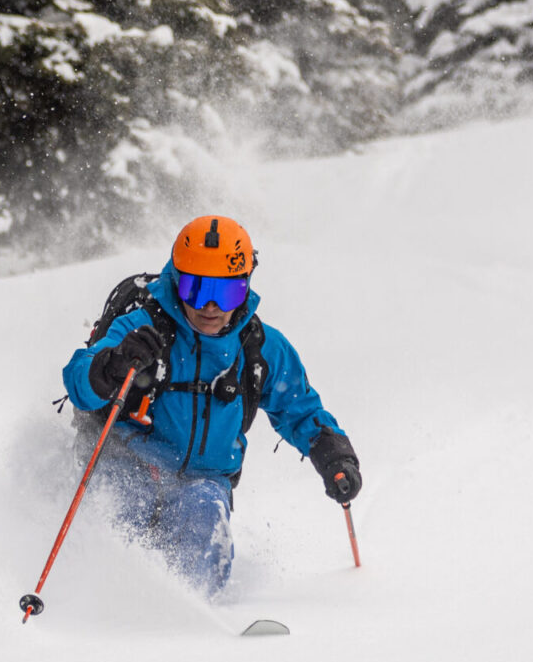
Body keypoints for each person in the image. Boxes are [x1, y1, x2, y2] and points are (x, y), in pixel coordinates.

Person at [61, 215, 360, 596]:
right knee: (122, 512)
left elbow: (299, 407)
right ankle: (96, 606)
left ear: (246, 287)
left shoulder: (258, 347)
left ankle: (192, 631)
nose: (212, 307)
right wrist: (114, 363)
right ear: (177, 283)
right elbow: (78, 380)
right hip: (128, 461)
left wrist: (334, 455)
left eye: (228, 293)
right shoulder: (143, 328)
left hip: (202, 482)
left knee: (205, 523)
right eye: (197, 289)